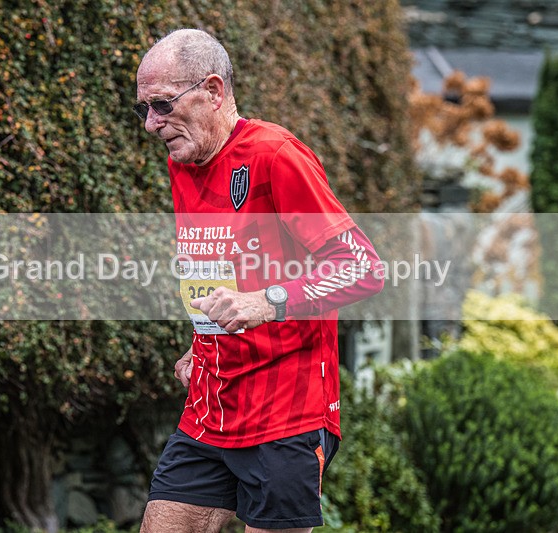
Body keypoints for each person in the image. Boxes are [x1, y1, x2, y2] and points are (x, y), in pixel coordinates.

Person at [134, 29, 384, 533]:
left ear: (213, 90)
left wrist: (267, 303)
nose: (151, 124)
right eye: (142, 109)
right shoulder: (183, 163)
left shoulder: (275, 156)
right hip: (211, 405)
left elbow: (362, 267)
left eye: (161, 105)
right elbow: (222, 266)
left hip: (286, 415)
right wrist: (202, 340)